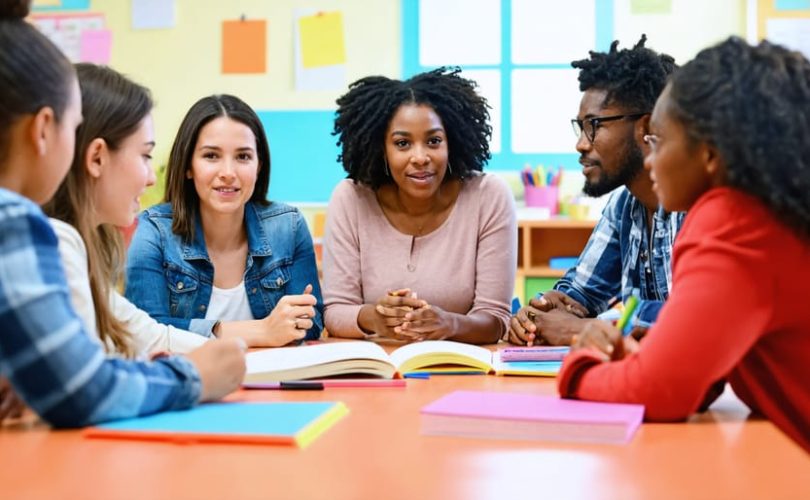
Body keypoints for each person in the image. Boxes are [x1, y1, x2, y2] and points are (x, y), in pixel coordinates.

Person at [558, 37, 810, 453]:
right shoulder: (767, 214)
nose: (650, 158)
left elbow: (660, 391)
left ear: (709, 155)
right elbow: (698, 377)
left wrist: (579, 367)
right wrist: (644, 358)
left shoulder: (730, 222)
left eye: (658, 141)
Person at [0, 0, 244, 427]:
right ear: (42, 131)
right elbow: (83, 389)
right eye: (71, 128)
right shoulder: (22, 226)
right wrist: (195, 377)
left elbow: (138, 334)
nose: (152, 178)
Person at [509, 35, 684, 346]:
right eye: (580, 127)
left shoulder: (691, 201)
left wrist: (585, 328)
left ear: (644, 128)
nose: (581, 144)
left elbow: (692, 318)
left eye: (595, 125)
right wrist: (545, 307)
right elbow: (583, 292)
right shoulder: (625, 205)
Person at [323, 67, 517, 344]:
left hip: (461, 367)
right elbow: (335, 310)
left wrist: (451, 324)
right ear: (382, 149)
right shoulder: (351, 199)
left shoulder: (488, 196)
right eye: (402, 143)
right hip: (377, 370)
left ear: (452, 143)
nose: (420, 157)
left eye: (434, 141)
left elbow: (496, 319)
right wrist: (374, 317)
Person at [42, 64, 215, 358]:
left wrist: (232, 353)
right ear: (96, 157)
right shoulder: (56, 245)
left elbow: (149, 336)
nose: (151, 178)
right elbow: (92, 383)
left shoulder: (84, 250)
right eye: (145, 155)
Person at [125, 94, 322, 346]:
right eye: (211, 156)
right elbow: (145, 332)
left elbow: (313, 324)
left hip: (272, 382)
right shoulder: (151, 231)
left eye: (243, 157)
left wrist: (299, 321)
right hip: (191, 382)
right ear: (188, 166)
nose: (228, 173)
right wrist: (261, 331)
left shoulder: (289, 226)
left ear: (259, 166)